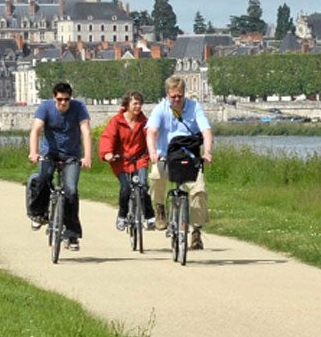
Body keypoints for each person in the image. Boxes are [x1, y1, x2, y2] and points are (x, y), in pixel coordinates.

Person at [148, 73, 213, 249]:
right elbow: (152, 131)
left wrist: (207, 152)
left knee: (199, 190)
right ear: (167, 95)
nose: (177, 100)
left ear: (184, 93)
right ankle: (160, 208)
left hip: (190, 157)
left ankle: (196, 231)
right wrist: (153, 152)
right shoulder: (160, 109)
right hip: (165, 156)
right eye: (173, 97)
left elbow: (206, 131)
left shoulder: (195, 107)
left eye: (180, 96)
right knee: (155, 176)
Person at [27, 80, 93, 249]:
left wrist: (87, 157)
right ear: (54, 98)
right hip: (49, 153)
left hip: (71, 155)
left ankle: (72, 235)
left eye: (66, 99)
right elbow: (36, 130)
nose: (63, 103)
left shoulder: (79, 108)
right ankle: (38, 213)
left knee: (71, 190)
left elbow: (85, 131)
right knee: (43, 178)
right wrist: (34, 152)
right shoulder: (45, 107)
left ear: (71, 98)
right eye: (60, 99)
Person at [98, 90, 152, 230]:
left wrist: (154, 152)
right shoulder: (117, 121)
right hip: (121, 160)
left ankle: (149, 217)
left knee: (143, 185)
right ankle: (122, 215)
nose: (138, 107)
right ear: (127, 104)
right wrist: (107, 153)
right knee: (126, 187)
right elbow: (108, 137)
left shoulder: (144, 122)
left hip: (139, 159)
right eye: (135, 104)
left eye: (140, 104)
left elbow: (151, 137)